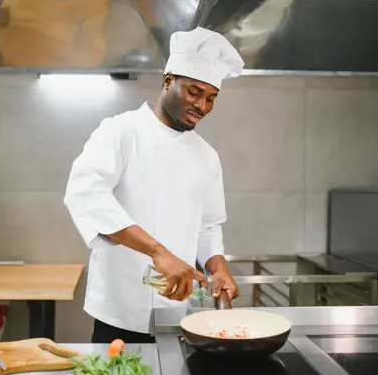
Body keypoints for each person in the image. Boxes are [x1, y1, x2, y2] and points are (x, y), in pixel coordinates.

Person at [64, 27, 244, 344]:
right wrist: (158, 252)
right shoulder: (120, 131)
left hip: (178, 312)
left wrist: (218, 268)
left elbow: (208, 226)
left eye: (211, 98)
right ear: (167, 81)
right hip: (119, 312)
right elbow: (86, 195)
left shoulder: (206, 157)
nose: (202, 106)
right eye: (194, 92)